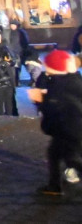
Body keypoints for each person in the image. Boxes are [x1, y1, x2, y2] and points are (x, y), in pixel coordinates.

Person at [29, 49, 82, 196]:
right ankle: (53, 186)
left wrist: (38, 101)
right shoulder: (73, 79)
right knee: (54, 154)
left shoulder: (58, 87)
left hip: (68, 131)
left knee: (72, 160)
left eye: (48, 66)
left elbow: (51, 111)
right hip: (70, 130)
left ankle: (54, 186)